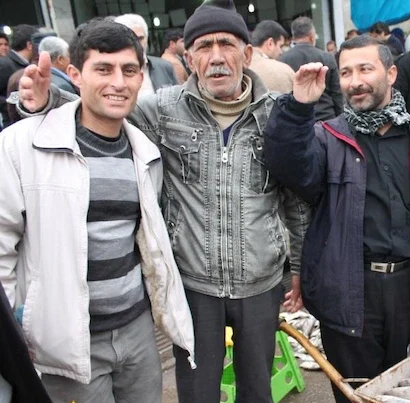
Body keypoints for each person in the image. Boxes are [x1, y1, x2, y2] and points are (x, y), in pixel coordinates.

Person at [17, 1, 311, 402]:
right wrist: (45, 101)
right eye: (204, 46)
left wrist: (299, 265)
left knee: (258, 389)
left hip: (260, 281)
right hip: (192, 285)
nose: (217, 56)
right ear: (188, 57)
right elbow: (102, 110)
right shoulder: (161, 110)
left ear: (247, 53)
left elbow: (293, 196)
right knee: (196, 390)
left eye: (227, 44)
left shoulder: (277, 114)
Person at [0, 20, 195, 402]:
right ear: (74, 75)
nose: (118, 83)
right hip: (66, 339)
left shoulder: (145, 151)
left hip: (136, 331)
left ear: (142, 77)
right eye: (103, 69)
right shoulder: (23, 145)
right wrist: (10, 336)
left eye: (129, 70)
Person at [263, 35, 410, 403]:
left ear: (391, 73)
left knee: (402, 388)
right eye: (346, 72)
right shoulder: (327, 137)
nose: (355, 81)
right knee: (355, 391)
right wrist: (299, 107)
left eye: (365, 69)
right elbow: (287, 165)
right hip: (349, 287)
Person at [281, 16, 343, 121]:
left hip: (298, 120)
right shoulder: (327, 57)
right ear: (311, 36)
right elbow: (337, 93)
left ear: (294, 37)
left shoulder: (282, 60)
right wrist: (341, 119)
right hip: (327, 118)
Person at [113, 14, 178, 97]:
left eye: (140, 38)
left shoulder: (164, 67)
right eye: (130, 39)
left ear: (146, 38)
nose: (137, 44)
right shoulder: (111, 72)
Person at [0, 24, 38, 128]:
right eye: (37, 42)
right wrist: (16, 100)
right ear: (29, 45)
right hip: (13, 126)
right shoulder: (4, 64)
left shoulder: (27, 64)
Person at [250, 20, 296, 93]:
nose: (281, 52)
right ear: (270, 43)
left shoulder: (239, 67)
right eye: (280, 46)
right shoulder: (282, 71)